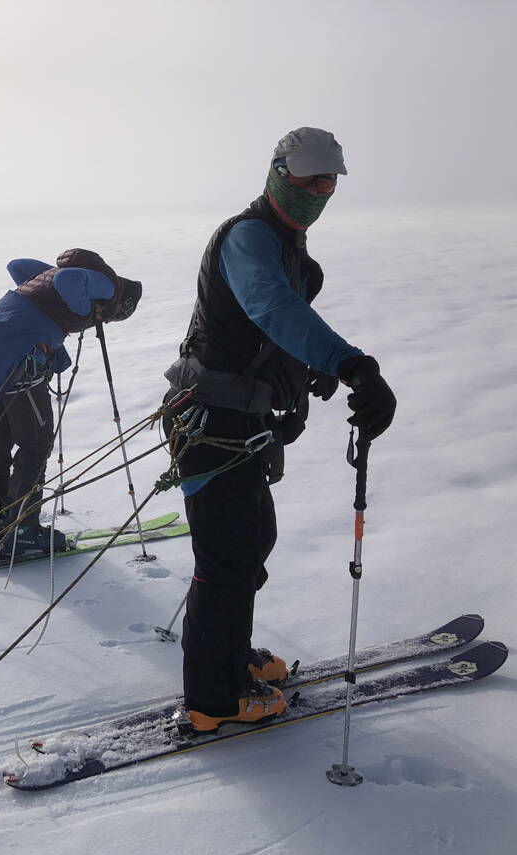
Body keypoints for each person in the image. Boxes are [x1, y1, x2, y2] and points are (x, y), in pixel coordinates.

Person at [162, 127, 397, 733]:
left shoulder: (286, 242)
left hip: (241, 418)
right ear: (277, 174)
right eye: (307, 179)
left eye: (328, 181)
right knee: (227, 554)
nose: (319, 191)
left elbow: (266, 327)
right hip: (211, 417)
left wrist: (306, 367)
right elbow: (271, 306)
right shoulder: (249, 237)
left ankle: (230, 655)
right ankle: (213, 699)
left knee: (251, 539)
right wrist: (350, 364)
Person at [0, 249, 141, 556]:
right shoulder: (108, 286)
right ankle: (22, 529)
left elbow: (18, 267)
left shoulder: (49, 275)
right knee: (35, 445)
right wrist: (85, 311)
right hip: (19, 364)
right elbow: (68, 280)